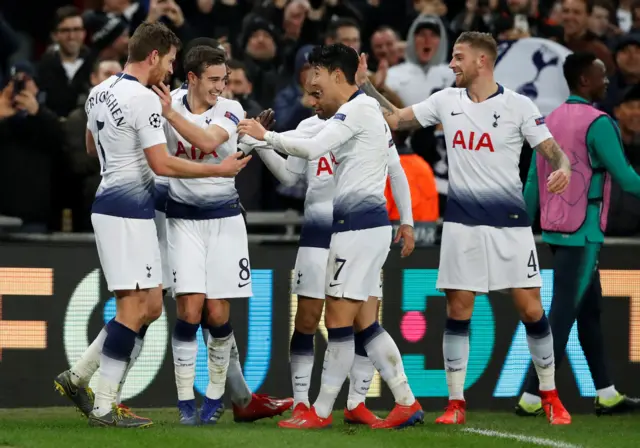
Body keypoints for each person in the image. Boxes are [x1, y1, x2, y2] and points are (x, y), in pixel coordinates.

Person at [355, 31, 573, 425]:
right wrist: (365, 85)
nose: (451, 63)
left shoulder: (518, 105)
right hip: (461, 224)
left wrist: (564, 167)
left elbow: (551, 149)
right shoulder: (445, 100)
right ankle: (456, 404)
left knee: (531, 308)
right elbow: (395, 119)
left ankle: (551, 396)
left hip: (510, 226)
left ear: (482, 62)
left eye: (458, 57)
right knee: (458, 309)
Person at [59, 22, 250, 429]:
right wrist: (216, 171)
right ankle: (104, 406)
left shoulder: (101, 90)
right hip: (130, 212)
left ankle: (78, 377)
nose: (170, 70)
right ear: (153, 57)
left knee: (147, 305)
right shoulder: (144, 100)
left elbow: (93, 146)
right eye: (168, 61)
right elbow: (161, 164)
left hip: (112, 202)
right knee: (136, 308)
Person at [239, 43, 423, 430]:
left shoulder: (356, 110)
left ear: (337, 75)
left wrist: (264, 137)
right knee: (361, 323)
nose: (311, 93)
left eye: (317, 81)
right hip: (355, 227)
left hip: (358, 228)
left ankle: (321, 412)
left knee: (341, 320)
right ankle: (404, 400)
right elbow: (300, 164)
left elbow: (313, 148)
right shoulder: (359, 111)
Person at [152, 45, 292, 426]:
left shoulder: (229, 109)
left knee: (216, 312)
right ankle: (184, 405)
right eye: (213, 80)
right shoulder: (166, 103)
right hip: (181, 219)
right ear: (192, 77)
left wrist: (168, 116)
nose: (220, 87)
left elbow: (210, 142)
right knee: (188, 310)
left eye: (224, 79)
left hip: (225, 218)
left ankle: (214, 401)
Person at [519, 52, 640, 416]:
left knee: (588, 310)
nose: (607, 81)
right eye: (601, 76)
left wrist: (523, 227)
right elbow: (626, 178)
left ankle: (606, 393)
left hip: (555, 229)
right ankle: (530, 398)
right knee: (562, 314)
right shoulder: (599, 123)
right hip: (584, 231)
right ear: (585, 81)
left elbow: (532, 182)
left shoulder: (548, 120)